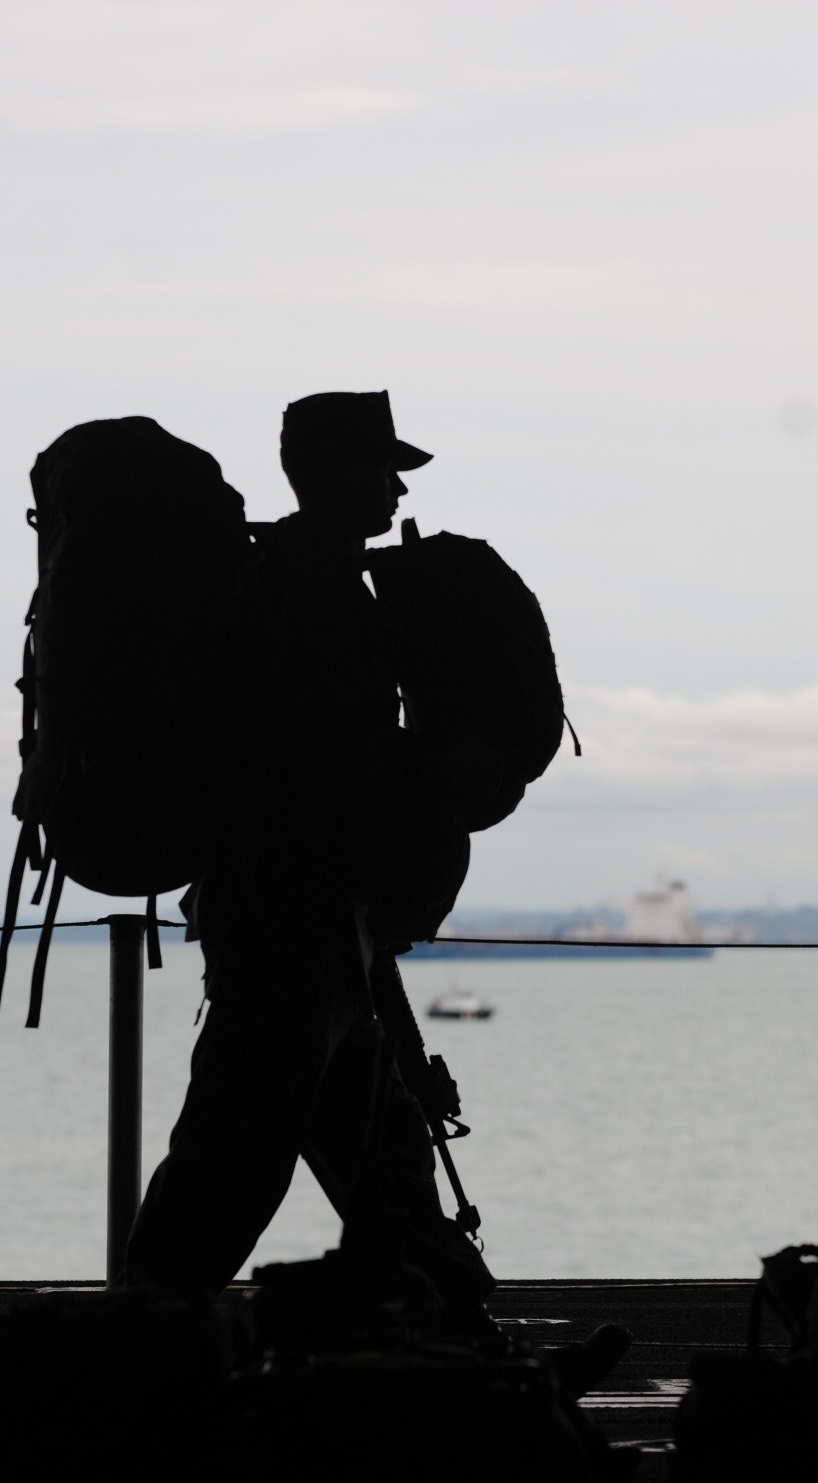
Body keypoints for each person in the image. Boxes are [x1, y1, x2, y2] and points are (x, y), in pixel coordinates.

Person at [123, 392, 494, 1329]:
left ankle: (470, 1345)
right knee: (236, 1159)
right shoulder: (305, 591)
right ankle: (138, 1350)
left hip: (317, 927)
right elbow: (326, 766)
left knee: (384, 1156)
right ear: (332, 473)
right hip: (293, 924)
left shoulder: (310, 580)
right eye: (383, 464)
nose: (397, 483)